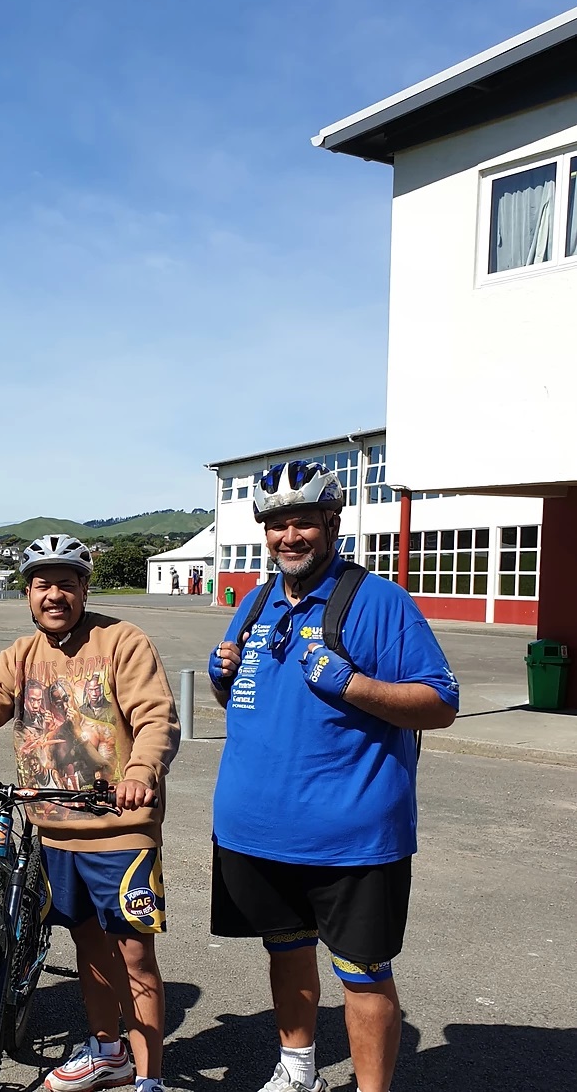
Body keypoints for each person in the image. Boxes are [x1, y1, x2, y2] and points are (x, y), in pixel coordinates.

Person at [0, 534, 180, 1092]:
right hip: (55, 831)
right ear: (28, 593)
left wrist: (141, 772)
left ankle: (151, 1080)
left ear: (83, 589)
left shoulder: (122, 641)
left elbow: (156, 717)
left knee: (134, 957)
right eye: (43, 584)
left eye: (66, 583)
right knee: (89, 947)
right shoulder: (21, 656)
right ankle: (108, 1052)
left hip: (120, 831)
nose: (54, 595)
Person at [208, 460, 459, 1092]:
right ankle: (297, 1072)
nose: (288, 537)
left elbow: (440, 702)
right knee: (286, 951)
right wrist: (222, 677)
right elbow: (250, 698)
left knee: (364, 971)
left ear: (331, 522)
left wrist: (354, 684)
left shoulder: (379, 602)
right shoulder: (260, 601)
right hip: (256, 830)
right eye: (275, 525)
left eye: (302, 523)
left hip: (352, 837)